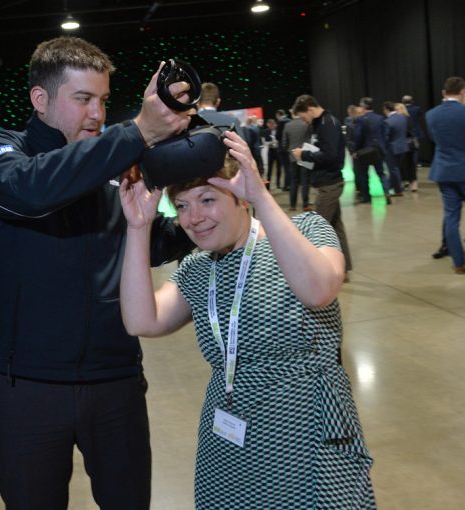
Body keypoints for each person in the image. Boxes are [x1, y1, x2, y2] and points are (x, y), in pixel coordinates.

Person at [0, 36, 195, 509]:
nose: (97, 113)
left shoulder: (110, 163)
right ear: (40, 99)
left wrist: (208, 222)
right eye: (83, 99)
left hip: (114, 382)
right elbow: (32, 190)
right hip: (25, 389)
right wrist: (135, 132)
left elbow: (146, 242)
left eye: (104, 100)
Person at [119, 130, 375, 509]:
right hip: (228, 437)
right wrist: (138, 228)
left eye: (207, 199)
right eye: (183, 206)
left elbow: (319, 289)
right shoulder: (196, 268)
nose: (194, 218)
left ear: (241, 197)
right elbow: (141, 320)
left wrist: (263, 198)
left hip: (306, 430)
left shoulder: (305, 230)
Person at [291, 94, 353, 281]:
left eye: (303, 116)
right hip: (325, 183)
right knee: (336, 228)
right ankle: (344, 270)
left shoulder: (329, 124)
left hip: (330, 185)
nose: (303, 121)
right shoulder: (318, 124)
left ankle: (317, 274)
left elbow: (331, 156)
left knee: (317, 230)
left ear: (310, 109)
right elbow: (321, 151)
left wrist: (305, 155)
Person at [425, 76, 465, 274]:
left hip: (444, 170)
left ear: (443, 93)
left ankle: (459, 262)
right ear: (463, 92)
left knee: (451, 217)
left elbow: (436, 140)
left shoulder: (431, 115)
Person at [353, 97, 392, 205]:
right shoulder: (380, 118)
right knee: (381, 173)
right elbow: (385, 134)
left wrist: (356, 150)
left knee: (364, 175)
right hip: (378, 150)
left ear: (364, 106)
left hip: (365, 151)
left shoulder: (361, 120)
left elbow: (358, 136)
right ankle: (387, 193)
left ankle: (366, 197)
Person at [282, 112, 311, 211]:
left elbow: (284, 143)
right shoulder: (306, 124)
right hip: (305, 155)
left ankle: (292, 205)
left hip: (293, 156)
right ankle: (305, 205)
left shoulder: (287, 125)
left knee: (294, 181)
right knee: (305, 181)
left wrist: (290, 152)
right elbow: (310, 140)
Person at [381, 101, 406, 197]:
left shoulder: (387, 121)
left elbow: (385, 138)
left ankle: (398, 190)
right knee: (396, 169)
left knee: (393, 169)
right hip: (403, 147)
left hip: (392, 148)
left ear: (386, 109)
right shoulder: (403, 118)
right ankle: (389, 187)